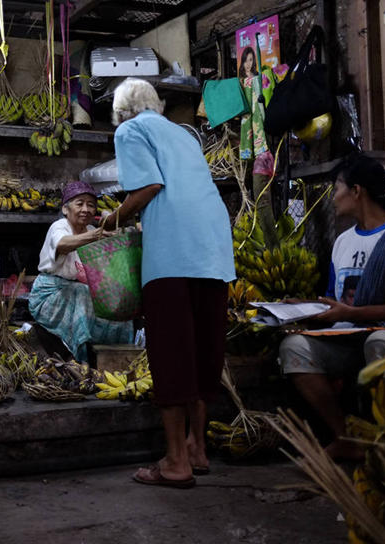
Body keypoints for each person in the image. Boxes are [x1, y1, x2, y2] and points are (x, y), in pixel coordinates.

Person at [102, 78, 235, 488]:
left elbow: (149, 187)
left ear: (121, 112)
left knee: (173, 354)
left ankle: (176, 463)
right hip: (213, 248)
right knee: (201, 350)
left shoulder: (129, 129)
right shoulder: (183, 135)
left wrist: (113, 220)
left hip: (173, 254)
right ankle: (197, 448)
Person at [279, 154, 385, 460]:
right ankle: (346, 437)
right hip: (347, 336)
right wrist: (304, 309)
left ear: (357, 191)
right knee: (294, 346)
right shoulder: (342, 242)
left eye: (337, 188)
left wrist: (355, 315)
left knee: (379, 341)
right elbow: (336, 303)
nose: (333, 196)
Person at [28, 181, 133, 363]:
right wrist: (96, 235)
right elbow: (62, 244)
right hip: (50, 293)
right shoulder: (60, 227)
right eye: (80, 203)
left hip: (80, 290)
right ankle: (81, 361)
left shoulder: (92, 229)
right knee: (82, 295)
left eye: (91, 205)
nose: (86, 209)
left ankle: (118, 359)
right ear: (65, 209)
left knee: (117, 304)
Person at [238, 46, 268, 160]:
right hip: (246, 113)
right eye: (245, 60)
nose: (248, 64)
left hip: (258, 112)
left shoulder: (258, 77)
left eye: (250, 60)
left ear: (254, 60)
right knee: (246, 133)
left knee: (259, 129)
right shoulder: (240, 80)